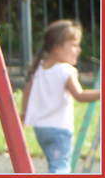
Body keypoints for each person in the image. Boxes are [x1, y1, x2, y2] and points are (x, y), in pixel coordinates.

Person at [21, 19, 100, 173]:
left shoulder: (40, 68)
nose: (79, 50)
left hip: (41, 129)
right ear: (57, 48)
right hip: (59, 131)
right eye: (74, 45)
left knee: (55, 164)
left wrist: (24, 112)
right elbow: (80, 95)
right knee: (60, 168)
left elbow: (26, 92)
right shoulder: (65, 70)